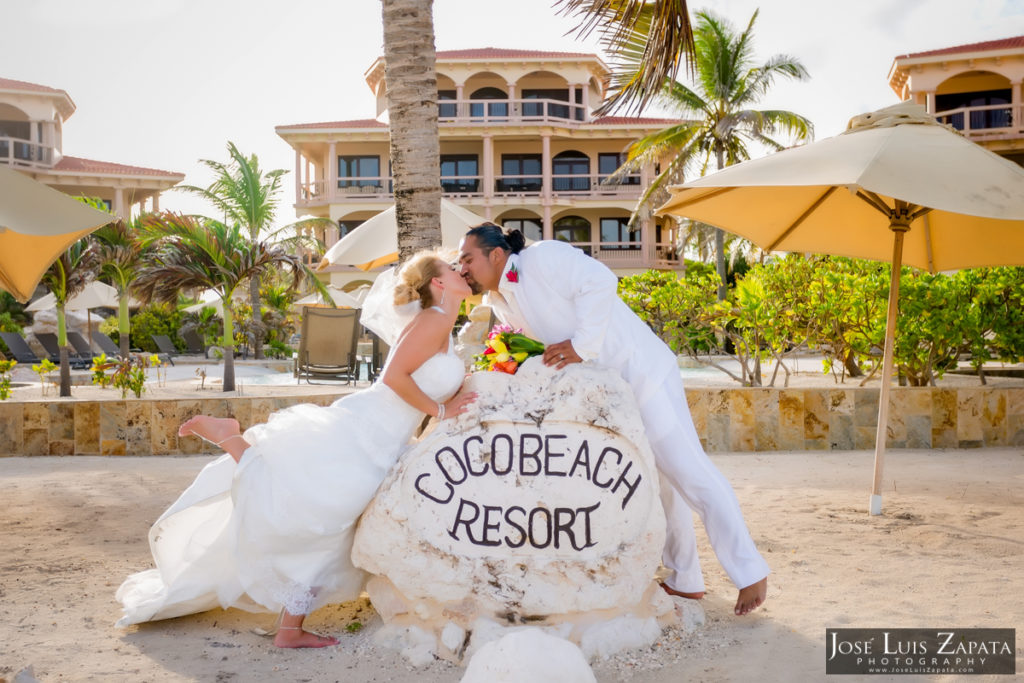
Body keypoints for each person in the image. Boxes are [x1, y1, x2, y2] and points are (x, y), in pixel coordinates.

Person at [116, 251, 476, 647]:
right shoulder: (433, 320)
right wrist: (441, 409)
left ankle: (290, 628)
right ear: (438, 284)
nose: (462, 271)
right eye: (453, 268)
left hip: (384, 440)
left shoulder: (440, 323)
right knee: (317, 515)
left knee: (328, 526)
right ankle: (234, 443)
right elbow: (394, 378)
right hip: (367, 430)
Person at [458, 225, 769, 616]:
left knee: (688, 472)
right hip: (610, 395)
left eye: (467, 259)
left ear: (496, 256)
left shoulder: (544, 256)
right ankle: (685, 579)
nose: (462, 268)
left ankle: (750, 572)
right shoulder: (502, 301)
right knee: (660, 484)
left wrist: (580, 346)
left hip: (642, 375)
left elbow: (601, 280)